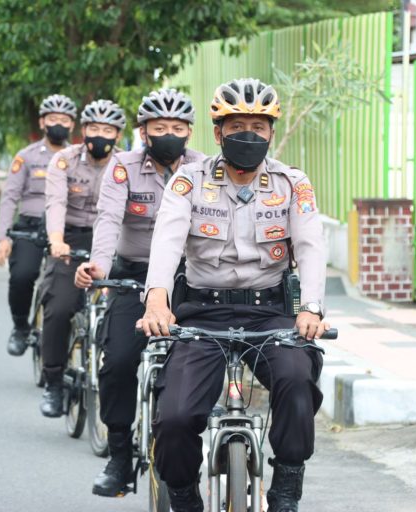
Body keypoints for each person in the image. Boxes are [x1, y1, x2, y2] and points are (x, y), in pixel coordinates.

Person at [138, 78, 329, 512]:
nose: (248, 135)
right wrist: (156, 300)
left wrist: (312, 309)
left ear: (271, 134)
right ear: (218, 132)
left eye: (258, 128)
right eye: (236, 125)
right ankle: (184, 497)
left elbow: (311, 246)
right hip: (201, 314)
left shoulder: (291, 183)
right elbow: (167, 242)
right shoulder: (189, 181)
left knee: (298, 379)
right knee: (175, 417)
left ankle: (286, 490)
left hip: (269, 313)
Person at [74, 88, 206, 497]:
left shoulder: (206, 167)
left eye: (177, 127)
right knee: (117, 362)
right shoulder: (123, 166)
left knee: (205, 358)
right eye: (160, 127)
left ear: (189, 131)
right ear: (144, 132)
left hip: (189, 279)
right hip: (133, 277)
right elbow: (109, 219)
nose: (169, 133)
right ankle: (118, 456)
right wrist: (98, 265)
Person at [39, 99, 126, 417]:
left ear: (117, 135)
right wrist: (57, 241)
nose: (100, 135)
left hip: (114, 240)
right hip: (71, 241)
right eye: (94, 128)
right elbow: (56, 203)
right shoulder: (64, 160)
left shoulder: (127, 164)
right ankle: (53, 382)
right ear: (83, 131)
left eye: (108, 130)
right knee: (59, 307)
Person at [0, 94, 78, 356]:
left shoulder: (78, 157)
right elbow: (10, 197)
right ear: (42, 122)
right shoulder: (27, 156)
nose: (58, 124)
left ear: (72, 125)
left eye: (64, 120)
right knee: (22, 276)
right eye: (52, 119)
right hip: (29, 228)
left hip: (66, 230)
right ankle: (21, 326)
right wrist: (4, 237)